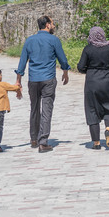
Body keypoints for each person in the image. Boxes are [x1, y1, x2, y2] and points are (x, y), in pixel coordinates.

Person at [14, 15, 70, 153]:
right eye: (53, 23)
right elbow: (62, 58)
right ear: (47, 25)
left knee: (34, 108)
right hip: (48, 80)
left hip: (33, 80)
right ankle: (43, 142)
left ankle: (34, 139)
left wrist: (18, 80)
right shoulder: (54, 40)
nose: (54, 26)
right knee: (46, 110)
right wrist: (65, 72)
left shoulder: (30, 40)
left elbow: (22, 61)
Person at [77, 26, 109, 150]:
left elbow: (80, 67)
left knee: (92, 109)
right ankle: (108, 129)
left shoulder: (88, 49)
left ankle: (96, 143)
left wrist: (89, 70)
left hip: (92, 81)